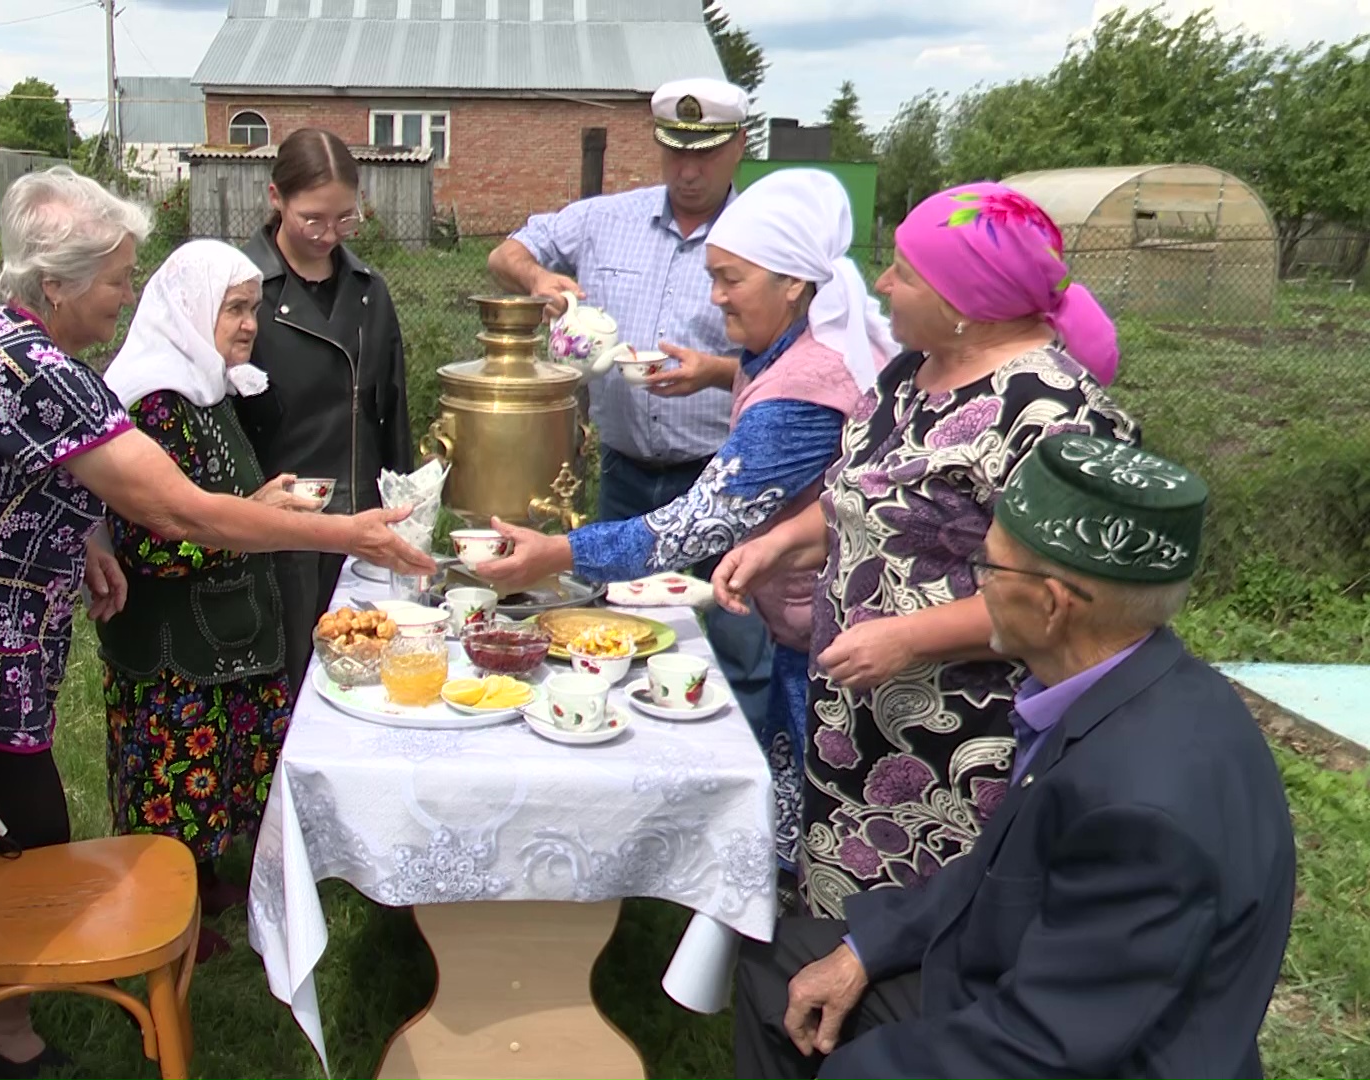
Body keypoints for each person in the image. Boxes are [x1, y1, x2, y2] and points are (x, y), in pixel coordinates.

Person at [0, 167, 432, 1077]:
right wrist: (345, 530)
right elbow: (183, 514)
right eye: (115, 278)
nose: (127, 294)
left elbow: (1, 483)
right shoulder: (41, 371)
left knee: (6, 833)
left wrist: (83, 541)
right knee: (18, 841)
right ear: (58, 283)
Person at [733, 434, 1295, 1080]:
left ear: (1052, 605)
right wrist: (864, 948)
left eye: (989, 569)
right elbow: (996, 872)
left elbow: (1046, 1048)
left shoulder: (1146, 812)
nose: (976, 585)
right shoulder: (1117, 686)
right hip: (1030, 984)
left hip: (1091, 1053)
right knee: (778, 970)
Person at [713, 182, 1138, 916]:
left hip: (962, 741)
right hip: (862, 717)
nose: (880, 282)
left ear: (963, 301)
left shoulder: (1053, 416)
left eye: (904, 271)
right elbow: (868, 497)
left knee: (933, 934)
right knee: (845, 921)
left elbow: (1069, 597)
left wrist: (910, 638)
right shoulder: (911, 374)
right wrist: (784, 543)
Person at [471, 169, 894, 876]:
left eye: (731, 279)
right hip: (823, 622)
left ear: (793, 284)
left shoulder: (803, 391)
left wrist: (556, 552)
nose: (715, 295)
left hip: (835, 641)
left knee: (825, 817)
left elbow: (693, 528)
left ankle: (795, 928)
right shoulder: (812, 347)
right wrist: (722, 372)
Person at [487, 77, 775, 725]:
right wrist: (539, 278)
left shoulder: (764, 235)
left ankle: (744, 785)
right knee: (618, 637)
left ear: (740, 145)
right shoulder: (604, 219)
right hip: (624, 474)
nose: (689, 169)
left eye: (705, 152)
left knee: (734, 646)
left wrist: (714, 373)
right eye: (675, 152)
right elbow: (508, 252)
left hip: (723, 480)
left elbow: (805, 369)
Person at [99, 240, 307, 962]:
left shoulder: (211, 387)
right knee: (173, 781)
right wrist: (254, 518)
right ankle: (168, 917)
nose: (249, 324)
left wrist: (256, 509)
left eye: (253, 308)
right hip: (172, 643)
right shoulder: (152, 403)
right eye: (235, 308)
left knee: (222, 768)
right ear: (190, 309)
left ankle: (204, 876)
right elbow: (151, 541)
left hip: (224, 632)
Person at [232, 128, 414, 692]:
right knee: (289, 690)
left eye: (345, 219)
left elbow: (394, 411)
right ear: (274, 198)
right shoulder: (242, 290)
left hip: (363, 527)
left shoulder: (368, 291)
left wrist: (408, 509)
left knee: (370, 677)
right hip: (277, 538)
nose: (328, 234)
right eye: (312, 218)